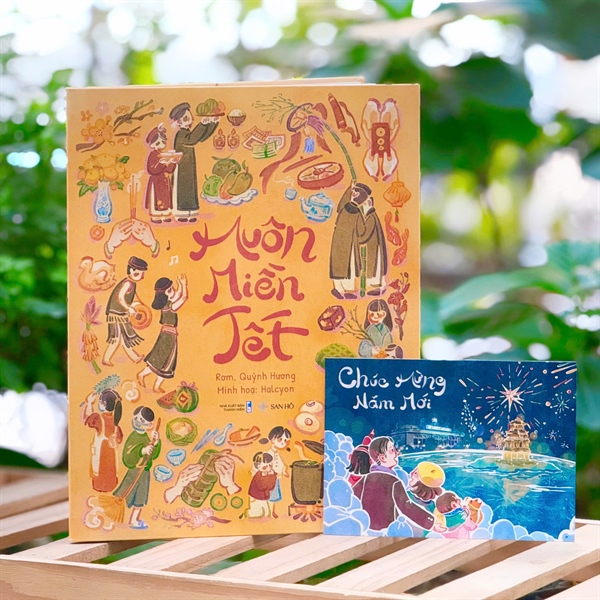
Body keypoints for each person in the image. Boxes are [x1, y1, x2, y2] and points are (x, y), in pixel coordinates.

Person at [353, 436, 435, 531]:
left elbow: (352, 497)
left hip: (367, 529)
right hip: (387, 530)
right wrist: (430, 522)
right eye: (392, 450)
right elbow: (407, 507)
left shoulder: (365, 479)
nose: (397, 453)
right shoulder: (394, 482)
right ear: (382, 457)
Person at [169, 102, 220, 222]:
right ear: (179, 121)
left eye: (190, 117)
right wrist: (202, 124)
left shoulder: (187, 132)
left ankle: (191, 211)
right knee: (182, 189)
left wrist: (212, 123)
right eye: (186, 118)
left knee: (190, 188)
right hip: (181, 168)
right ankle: (181, 213)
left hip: (189, 166)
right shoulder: (181, 134)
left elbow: (201, 138)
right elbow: (192, 139)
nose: (190, 120)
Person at [137, 275, 188, 392]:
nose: (173, 291)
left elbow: (177, 295)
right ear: (164, 295)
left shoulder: (168, 303)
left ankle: (155, 385)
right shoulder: (170, 306)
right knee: (162, 360)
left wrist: (180, 285)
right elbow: (183, 297)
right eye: (170, 290)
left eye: (172, 288)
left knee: (165, 362)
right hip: (167, 336)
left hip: (169, 335)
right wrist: (183, 285)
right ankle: (142, 375)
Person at [113, 406, 161, 529]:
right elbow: (127, 455)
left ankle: (134, 520)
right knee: (126, 493)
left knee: (140, 498)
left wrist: (156, 443)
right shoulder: (133, 436)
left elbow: (153, 456)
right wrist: (141, 450)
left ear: (149, 425)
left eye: (142, 420)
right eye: (136, 418)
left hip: (144, 473)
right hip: (134, 471)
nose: (138, 421)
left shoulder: (145, 437)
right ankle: (116, 517)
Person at [102, 256, 148, 366]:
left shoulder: (132, 283)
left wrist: (137, 306)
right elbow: (120, 297)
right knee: (116, 337)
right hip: (116, 314)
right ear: (131, 270)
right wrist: (128, 308)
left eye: (142, 274)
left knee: (124, 337)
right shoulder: (128, 283)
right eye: (138, 273)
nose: (141, 276)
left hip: (121, 314)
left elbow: (132, 298)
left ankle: (134, 357)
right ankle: (106, 359)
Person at [329, 183, 367, 299]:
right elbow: (362, 231)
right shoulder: (356, 212)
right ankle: (344, 290)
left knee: (340, 265)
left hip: (339, 240)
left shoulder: (344, 207)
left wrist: (350, 187)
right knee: (348, 265)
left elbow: (342, 202)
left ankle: (339, 289)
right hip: (349, 242)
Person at [81, 389, 123, 492]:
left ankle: (100, 487)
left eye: (100, 402)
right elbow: (119, 438)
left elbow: (87, 418)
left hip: (101, 454)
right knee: (110, 472)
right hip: (111, 456)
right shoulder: (115, 422)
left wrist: (89, 403)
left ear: (104, 404)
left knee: (100, 472)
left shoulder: (100, 419)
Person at [356, 184, 388, 295]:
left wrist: (357, 240)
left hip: (373, 247)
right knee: (375, 268)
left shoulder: (371, 217)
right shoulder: (371, 216)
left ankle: (377, 288)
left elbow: (366, 234)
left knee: (375, 268)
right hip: (374, 246)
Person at [144, 124, 177, 223]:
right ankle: (156, 217)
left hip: (164, 180)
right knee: (156, 199)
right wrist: (162, 164)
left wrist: (172, 162)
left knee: (165, 198)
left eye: (162, 142)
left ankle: (165, 215)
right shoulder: (153, 155)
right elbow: (151, 169)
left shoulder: (162, 154)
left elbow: (169, 170)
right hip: (156, 181)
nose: (161, 144)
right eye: (158, 142)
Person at [261, 426, 291, 518]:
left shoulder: (276, 453)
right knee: (269, 496)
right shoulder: (268, 453)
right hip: (269, 479)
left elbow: (280, 464)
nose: (283, 443)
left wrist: (284, 470)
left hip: (275, 478)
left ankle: (271, 512)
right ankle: (268, 512)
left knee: (273, 497)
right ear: (273, 439)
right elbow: (265, 466)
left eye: (285, 440)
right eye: (280, 439)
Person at [241, 452, 278, 519]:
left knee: (266, 513)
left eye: (270, 465)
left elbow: (271, 487)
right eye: (265, 467)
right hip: (255, 497)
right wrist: (268, 477)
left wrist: (272, 476)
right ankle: (246, 513)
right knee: (256, 513)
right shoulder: (258, 476)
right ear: (258, 467)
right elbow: (262, 487)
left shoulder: (270, 475)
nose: (268, 468)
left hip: (264, 497)